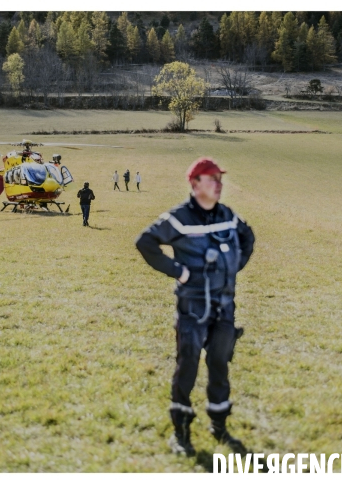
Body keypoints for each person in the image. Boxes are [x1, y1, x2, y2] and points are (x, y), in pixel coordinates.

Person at [136, 157, 255, 457]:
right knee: (187, 365)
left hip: (225, 308)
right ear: (194, 183)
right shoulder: (179, 218)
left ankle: (219, 424)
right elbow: (145, 242)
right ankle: (181, 432)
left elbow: (247, 235)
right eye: (212, 178)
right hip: (192, 309)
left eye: (220, 178)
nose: (218, 184)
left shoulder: (227, 214)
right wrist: (179, 271)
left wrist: (233, 267)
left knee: (219, 365)